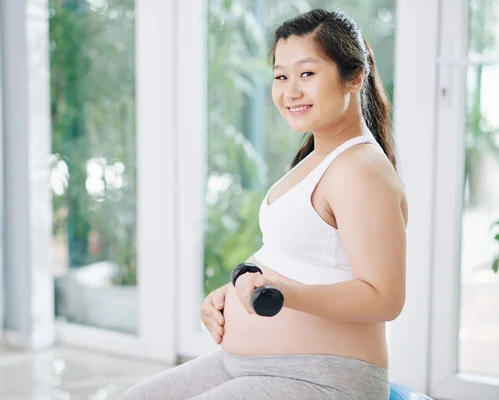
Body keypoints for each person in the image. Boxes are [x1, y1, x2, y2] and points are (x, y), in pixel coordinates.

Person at [117, 8, 407, 400]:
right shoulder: (317, 159)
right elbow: (298, 257)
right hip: (246, 363)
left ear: (354, 77)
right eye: (281, 76)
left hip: (322, 378)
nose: (290, 91)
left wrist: (284, 293)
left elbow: (384, 297)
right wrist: (233, 291)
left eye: (307, 74)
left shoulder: (362, 169)